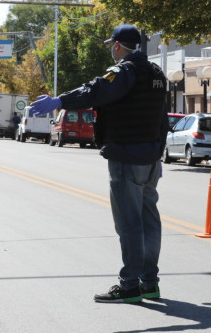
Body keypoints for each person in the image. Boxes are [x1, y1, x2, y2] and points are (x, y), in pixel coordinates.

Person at [30, 24, 168, 304]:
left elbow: (94, 91)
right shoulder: (156, 73)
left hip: (127, 157)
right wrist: (157, 151)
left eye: (111, 45)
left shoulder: (123, 71)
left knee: (129, 224)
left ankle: (129, 285)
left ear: (118, 45)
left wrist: (59, 101)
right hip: (151, 158)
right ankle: (149, 283)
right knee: (149, 221)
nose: (110, 49)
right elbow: (162, 118)